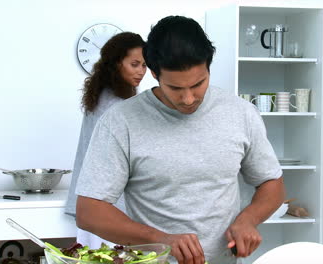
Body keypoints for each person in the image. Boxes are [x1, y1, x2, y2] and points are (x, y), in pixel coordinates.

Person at [75, 16, 285, 264]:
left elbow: (272, 184)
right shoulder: (120, 122)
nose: (188, 99)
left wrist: (248, 219)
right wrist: (160, 239)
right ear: (153, 73)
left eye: (198, 84)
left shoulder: (241, 113)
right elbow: (89, 211)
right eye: (175, 88)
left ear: (209, 67)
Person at [65, 32, 146, 248]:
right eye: (135, 64)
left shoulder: (100, 97)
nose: (141, 71)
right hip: (106, 205)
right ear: (116, 63)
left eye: (144, 65)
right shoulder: (116, 106)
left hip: (94, 200)